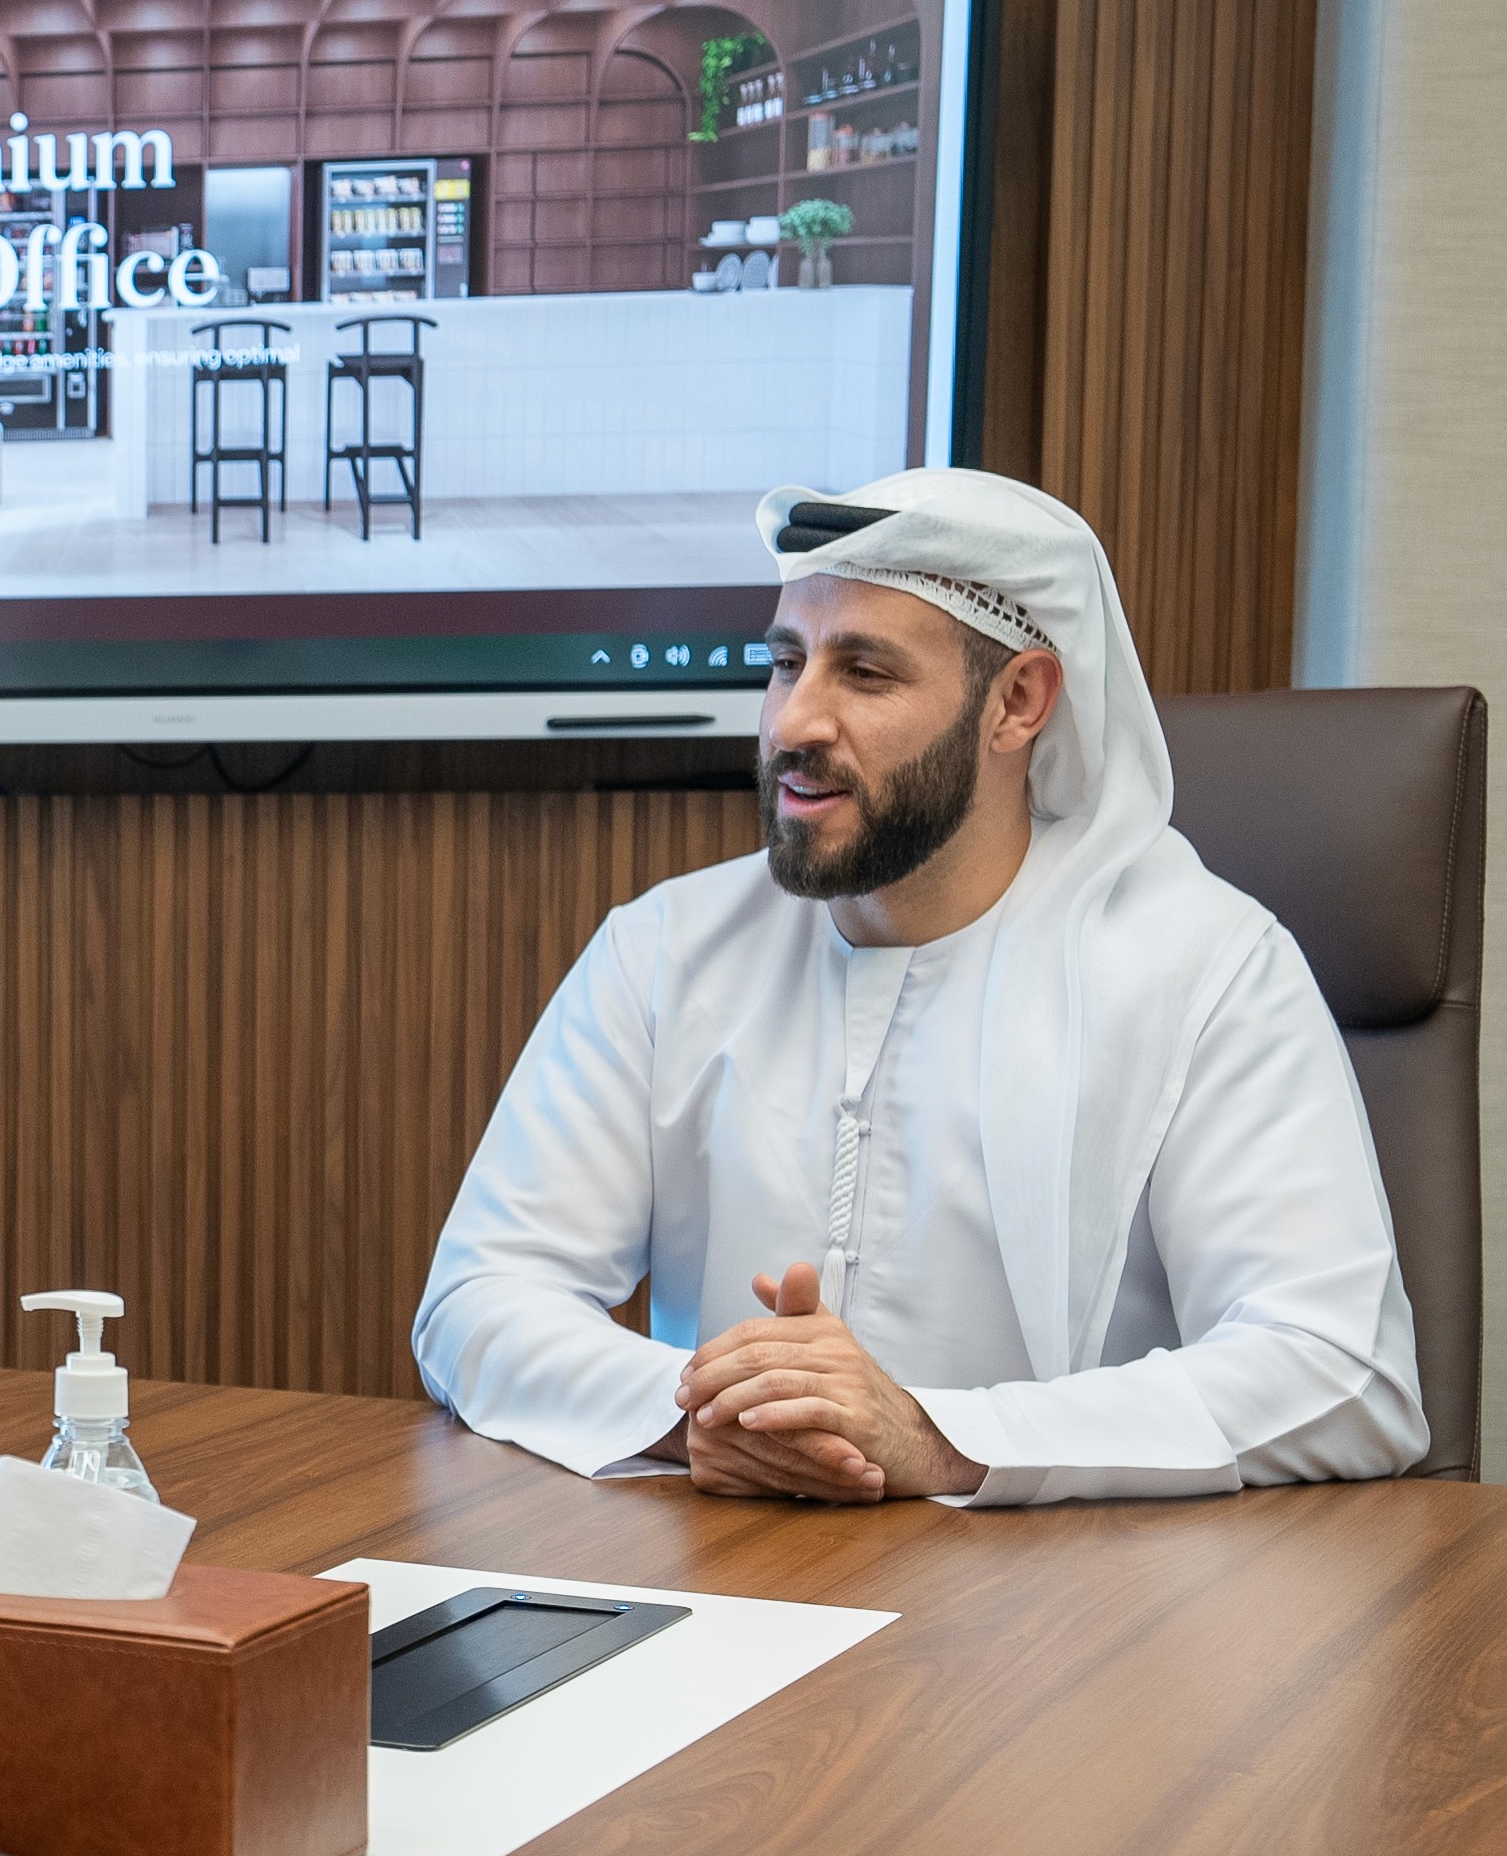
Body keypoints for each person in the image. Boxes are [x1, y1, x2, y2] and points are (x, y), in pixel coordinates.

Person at [413, 469, 1426, 1506]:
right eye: (785, 663)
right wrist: (701, 1415)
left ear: (1017, 704)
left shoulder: (1204, 970)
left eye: (864, 673)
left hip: (1072, 1588)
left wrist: (938, 1438)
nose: (794, 723)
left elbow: (1343, 1373)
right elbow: (477, 1298)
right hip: (729, 1567)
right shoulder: (667, 949)